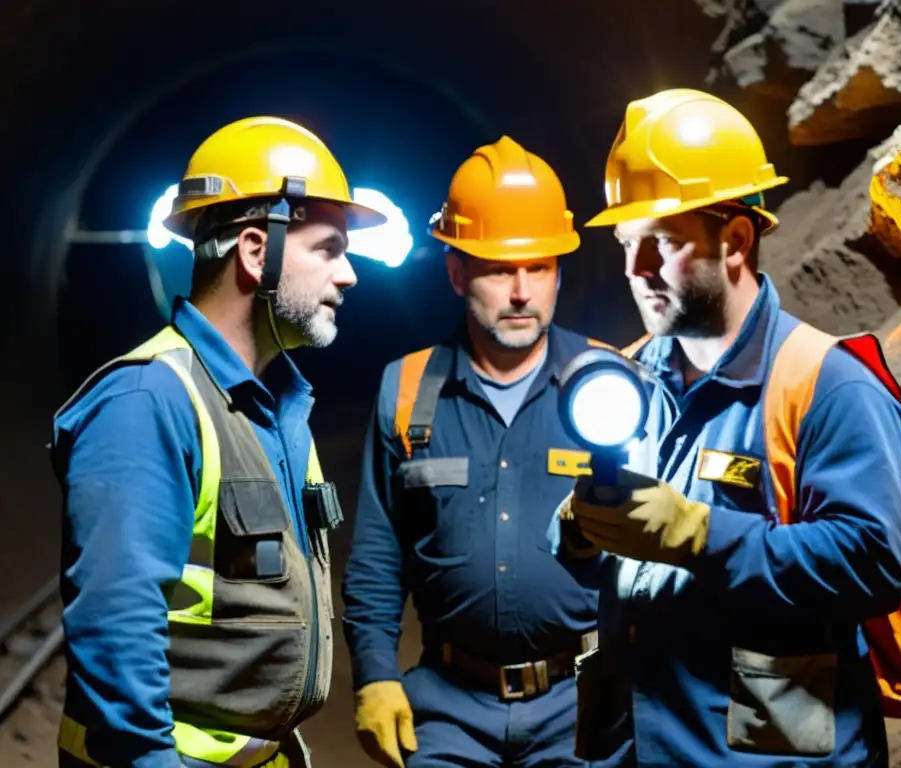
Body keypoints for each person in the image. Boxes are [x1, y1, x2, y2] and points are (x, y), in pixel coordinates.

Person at [551, 88, 901, 767]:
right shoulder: (630, 376)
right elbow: (596, 547)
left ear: (736, 239)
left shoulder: (827, 384)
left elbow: (871, 563)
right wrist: (576, 526)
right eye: (627, 245)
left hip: (769, 751)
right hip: (639, 745)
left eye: (660, 243)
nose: (635, 270)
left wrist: (699, 533)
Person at [51, 116, 388, 768]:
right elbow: (117, 633)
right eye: (329, 249)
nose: (348, 275)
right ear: (257, 251)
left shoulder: (279, 406)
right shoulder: (149, 401)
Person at [342, 136, 614, 768]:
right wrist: (375, 675)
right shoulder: (407, 390)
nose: (521, 291)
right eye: (497, 268)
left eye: (539, 266)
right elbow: (378, 560)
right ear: (456, 270)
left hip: (583, 704)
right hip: (448, 709)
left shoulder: (609, 385)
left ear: (559, 271)